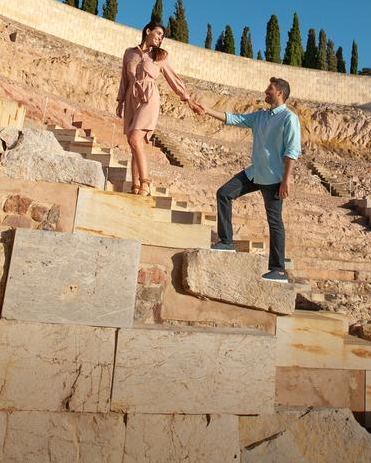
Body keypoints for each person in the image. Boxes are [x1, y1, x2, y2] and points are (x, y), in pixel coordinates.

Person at [190, 77, 300, 282]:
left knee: (274, 221)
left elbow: (292, 151)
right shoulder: (260, 116)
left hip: (275, 178)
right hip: (254, 173)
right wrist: (207, 110)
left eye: (270, 89)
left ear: (280, 93)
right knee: (224, 193)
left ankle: (278, 270)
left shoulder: (288, 118)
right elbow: (234, 118)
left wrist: (286, 180)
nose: (266, 92)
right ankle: (226, 241)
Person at [116, 21, 193, 195]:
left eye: (162, 36)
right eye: (158, 33)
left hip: (149, 96)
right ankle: (135, 187)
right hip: (131, 97)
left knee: (135, 139)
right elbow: (124, 79)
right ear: (148, 31)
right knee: (134, 144)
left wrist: (187, 99)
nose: (160, 38)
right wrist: (120, 101)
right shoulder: (129, 53)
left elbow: (173, 78)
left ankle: (145, 183)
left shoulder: (160, 56)